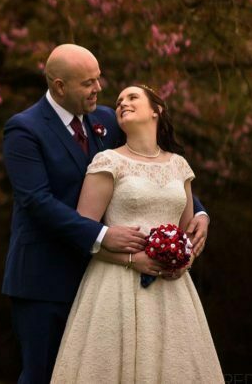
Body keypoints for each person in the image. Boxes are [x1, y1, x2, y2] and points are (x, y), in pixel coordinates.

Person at [1, 45, 209, 383]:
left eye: (98, 79)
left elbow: (148, 170)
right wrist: (101, 235)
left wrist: (199, 212)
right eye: (88, 83)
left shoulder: (107, 120)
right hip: (45, 276)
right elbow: (36, 201)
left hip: (105, 282)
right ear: (59, 86)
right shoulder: (24, 130)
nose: (99, 89)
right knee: (44, 375)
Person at [50, 84, 221, 382]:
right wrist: (131, 260)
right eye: (118, 101)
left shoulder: (179, 166)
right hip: (115, 284)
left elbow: (186, 234)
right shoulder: (108, 162)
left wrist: (184, 261)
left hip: (172, 291)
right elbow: (83, 231)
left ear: (157, 110)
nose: (122, 103)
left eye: (132, 98)